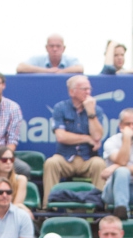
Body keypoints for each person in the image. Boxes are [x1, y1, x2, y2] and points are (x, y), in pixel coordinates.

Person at [42, 75, 105, 203]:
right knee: (51, 163)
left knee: (100, 164)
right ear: (72, 92)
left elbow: (97, 136)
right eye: (84, 89)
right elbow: (61, 136)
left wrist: (91, 113)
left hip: (87, 159)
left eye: (89, 89)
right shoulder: (60, 108)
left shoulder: (96, 110)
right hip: (65, 158)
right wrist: (87, 138)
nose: (88, 92)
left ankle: (99, 207)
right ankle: (49, 207)